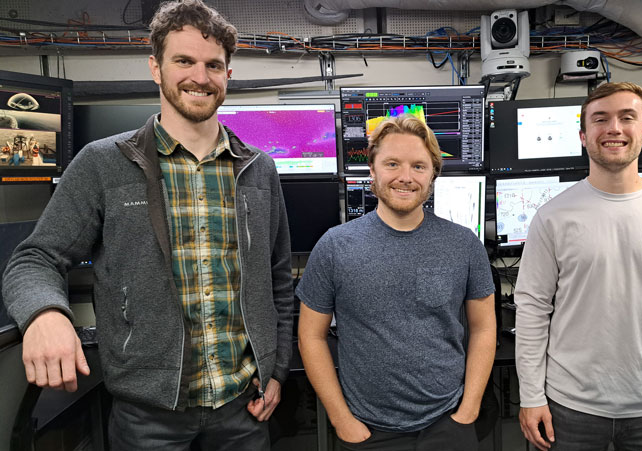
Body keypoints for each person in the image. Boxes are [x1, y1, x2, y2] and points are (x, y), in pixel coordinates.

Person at [1, 0, 294, 448]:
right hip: (147, 419)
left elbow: (277, 281)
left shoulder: (258, 170)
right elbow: (34, 259)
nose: (200, 76)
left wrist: (275, 371)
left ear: (227, 76)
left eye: (213, 64)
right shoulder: (103, 164)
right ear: (156, 68)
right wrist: (44, 314)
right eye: (184, 61)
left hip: (244, 408)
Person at [515, 82, 642, 451]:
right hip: (570, 407)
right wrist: (531, 396)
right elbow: (532, 313)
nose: (614, 128)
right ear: (583, 135)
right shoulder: (552, 217)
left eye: (627, 118)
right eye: (600, 119)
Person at [296, 115, 496, 451]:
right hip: (368, 431)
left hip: (447, 422)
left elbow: (484, 328)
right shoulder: (334, 246)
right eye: (392, 164)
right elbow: (310, 335)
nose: (405, 177)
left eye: (419, 166)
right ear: (372, 170)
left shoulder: (463, 244)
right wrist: (341, 419)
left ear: (433, 174)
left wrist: (469, 409)